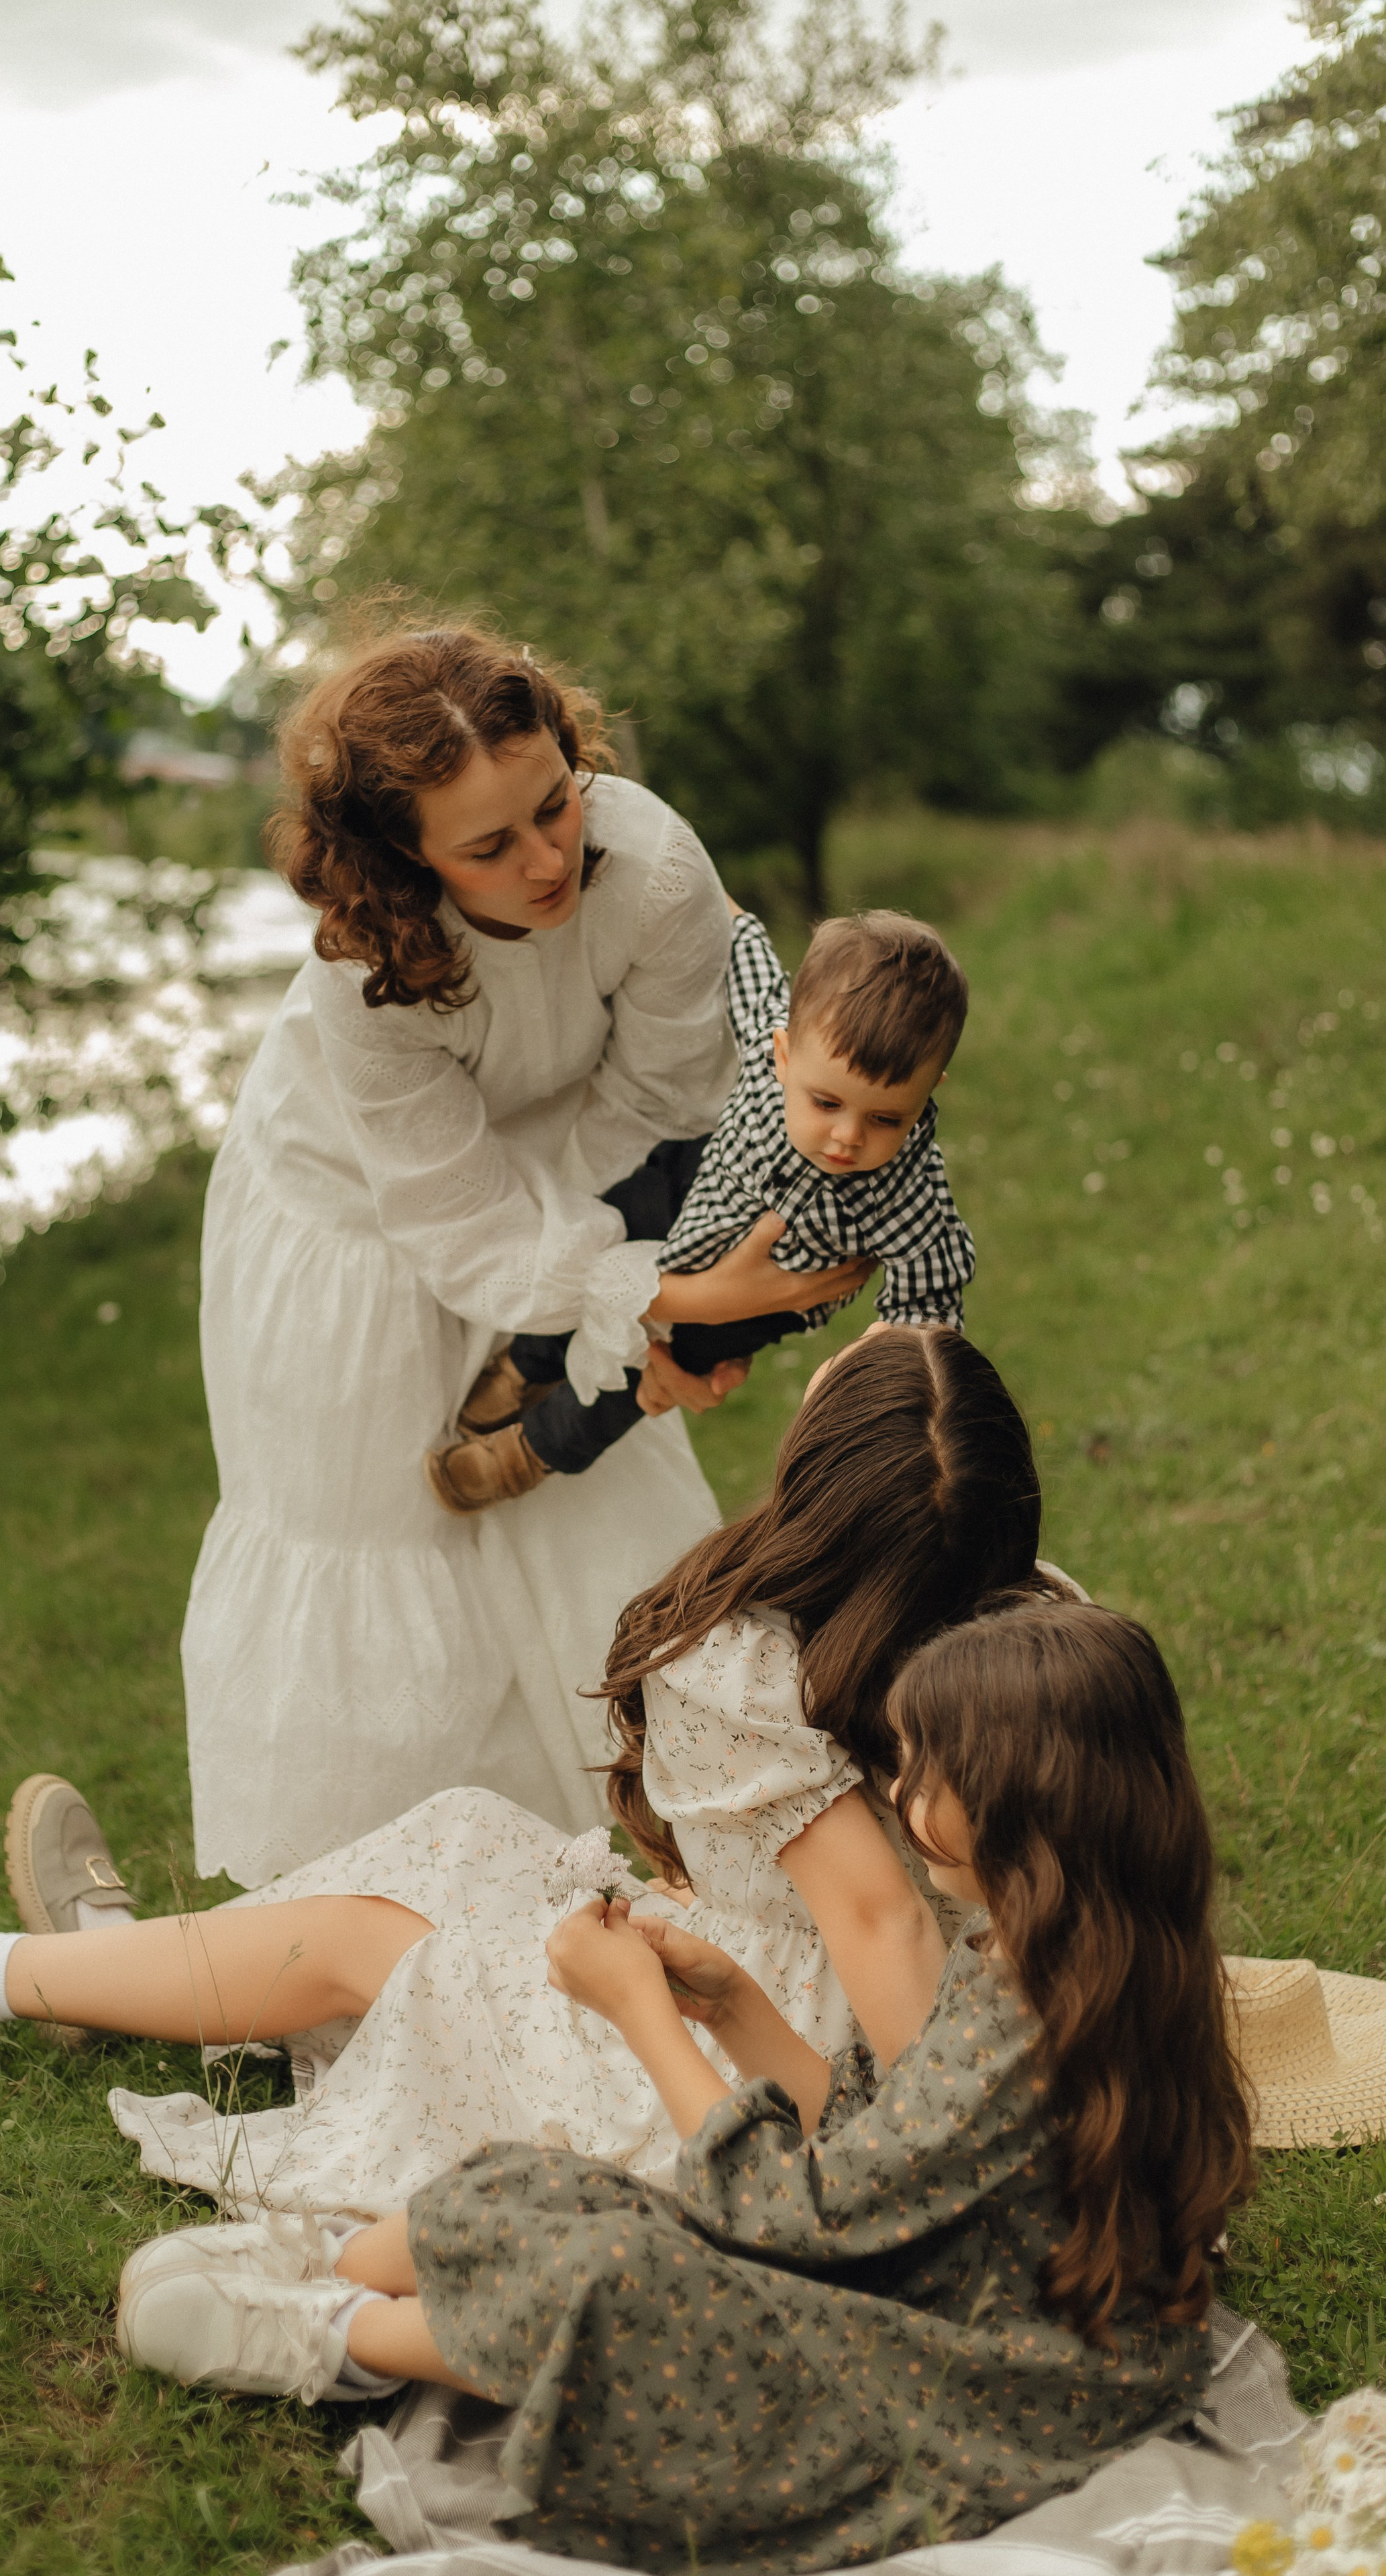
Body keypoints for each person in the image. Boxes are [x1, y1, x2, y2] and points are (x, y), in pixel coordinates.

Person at [115, 1599, 1257, 2576]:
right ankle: (318, 2278)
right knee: (559, 2187)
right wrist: (735, 2010)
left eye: (919, 1764)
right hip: (937, 2303)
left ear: (1015, 1794)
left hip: (976, 2389)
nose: (895, 1783)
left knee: (625, 2272)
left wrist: (643, 2015)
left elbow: (792, 2213)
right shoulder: (1048, 1955)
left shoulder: (1028, 2017)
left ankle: (333, 2335)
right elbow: (870, 2145)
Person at [0, 1330, 1071, 2229]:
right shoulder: (1011, 1610)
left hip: (770, 2052)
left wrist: (929, 2163)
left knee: (382, 1948)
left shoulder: (763, 1666)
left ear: (822, 1488)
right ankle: (120, 1961)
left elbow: (884, 1919)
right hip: (775, 1977)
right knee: (465, 1841)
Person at [181, 622, 872, 1883]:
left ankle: (669, 1864)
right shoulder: (365, 979)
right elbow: (457, 1221)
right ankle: (352, 1919)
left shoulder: (655, 867)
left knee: (602, 1517)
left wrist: (627, 1298)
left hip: (577, 1182)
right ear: (404, 858)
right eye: (490, 848)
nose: (550, 858)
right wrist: (661, 1287)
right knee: (378, 1538)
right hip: (356, 1222)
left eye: (556, 805)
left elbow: (665, 1097)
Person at [425, 905, 975, 1512]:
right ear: (785, 1056)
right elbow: (753, 973)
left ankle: (528, 1454)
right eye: (825, 1103)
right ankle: (527, 1364)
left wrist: (896, 1357)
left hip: (763, 1298)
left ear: (928, 1093)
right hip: (686, 1190)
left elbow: (932, 1289)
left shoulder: (910, 1191)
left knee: (644, 1377)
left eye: (884, 1119)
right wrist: (732, 915)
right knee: (595, 1253)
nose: (847, 1137)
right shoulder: (774, 1047)